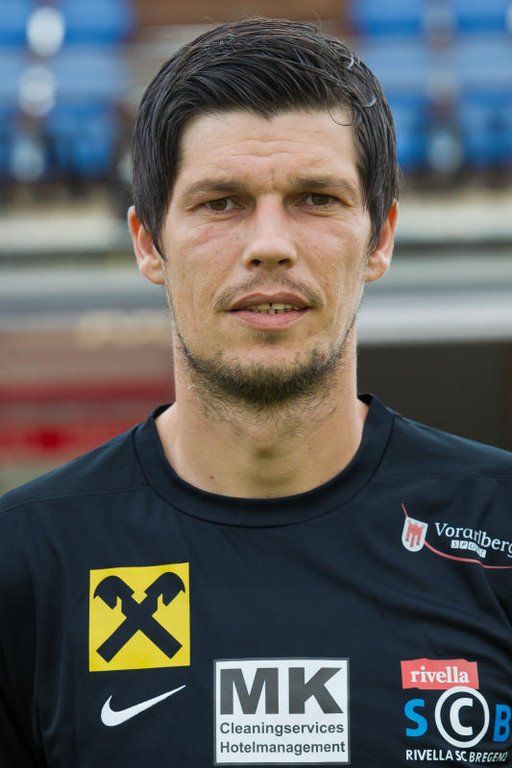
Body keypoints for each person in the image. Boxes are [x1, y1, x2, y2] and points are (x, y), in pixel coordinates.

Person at [0, 18, 511, 768]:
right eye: (221, 202)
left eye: (316, 198)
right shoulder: (24, 558)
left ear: (380, 238)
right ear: (148, 242)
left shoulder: (498, 527)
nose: (270, 244)